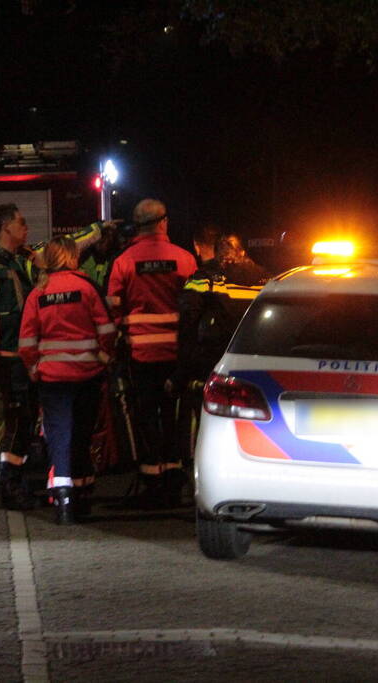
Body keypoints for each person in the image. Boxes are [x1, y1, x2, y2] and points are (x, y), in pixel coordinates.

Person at [0, 203, 104, 509]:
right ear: (6, 228)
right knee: (18, 421)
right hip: (7, 357)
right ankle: (9, 483)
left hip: (26, 356)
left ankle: (13, 480)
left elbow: (63, 250)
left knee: (25, 421)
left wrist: (98, 229)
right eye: (21, 223)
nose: (26, 227)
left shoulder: (23, 257)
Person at [106, 198, 197, 508]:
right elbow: (194, 309)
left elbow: (114, 309)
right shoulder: (185, 260)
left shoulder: (124, 262)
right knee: (174, 418)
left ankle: (152, 480)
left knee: (147, 418)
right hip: (176, 355)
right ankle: (174, 478)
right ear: (163, 222)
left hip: (141, 354)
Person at [19, 236, 116, 523]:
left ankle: (62, 497)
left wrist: (34, 368)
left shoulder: (39, 292)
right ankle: (83, 492)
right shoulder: (86, 288)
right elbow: (108, 330)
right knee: (82, 434)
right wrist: (103, 357)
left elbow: (26, 341)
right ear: (73, 257)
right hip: (87, 374)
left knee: (59, 435)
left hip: (52, 378)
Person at [175, 231, 270, 479]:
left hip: (213, 360)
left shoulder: (206, 277)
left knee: (207, 417)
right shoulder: (265, 278)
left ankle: (199, 471)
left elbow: (187, 320)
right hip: (255, 360)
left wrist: (183, 369)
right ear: (243, 251)